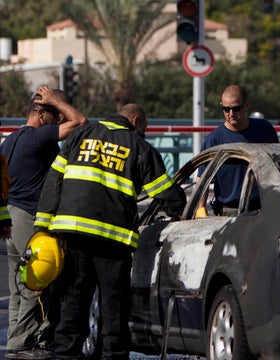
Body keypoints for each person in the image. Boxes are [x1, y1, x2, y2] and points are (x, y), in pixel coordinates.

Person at [33, 103, 187, 359]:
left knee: (74, 298)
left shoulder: (80, 136)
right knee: (113, 303)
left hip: (72, 233)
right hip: (112, 240)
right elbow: (164, 190)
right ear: (136, 121)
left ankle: (66, 353)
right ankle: (112, 354)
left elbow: (54, 180)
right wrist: (183, 209)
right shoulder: (139, 146)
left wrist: (43, 225)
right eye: (145, 128)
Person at [1, 86, 87, 360]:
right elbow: (80, 123)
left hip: (13, 217)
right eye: (55, 114)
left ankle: (16, 342)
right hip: (27, 218)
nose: (59, 120)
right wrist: (55, 100)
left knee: (18, 285)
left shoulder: (11, 141)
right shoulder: (38, 138)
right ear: (40, 113)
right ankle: (26, 343)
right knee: (36, 285)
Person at [196, 85, 280, 216]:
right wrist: (200, 208)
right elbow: (202, 179)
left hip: (264, 208)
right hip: (230, 212)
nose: (231, 114)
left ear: (247, 105)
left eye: (236, 108)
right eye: (226, 109)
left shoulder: (264, 130)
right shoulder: (213, 140)